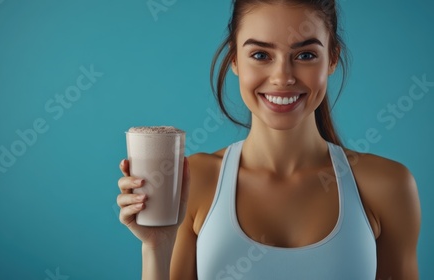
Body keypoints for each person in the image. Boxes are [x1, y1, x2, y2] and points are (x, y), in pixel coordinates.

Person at [116, 0, 421, 279]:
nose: (282, 76)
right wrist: (156, 246)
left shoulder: (388, 186)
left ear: (332, 59)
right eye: (261, 55)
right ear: (235, 60)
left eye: (305, 55)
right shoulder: (193, 180)